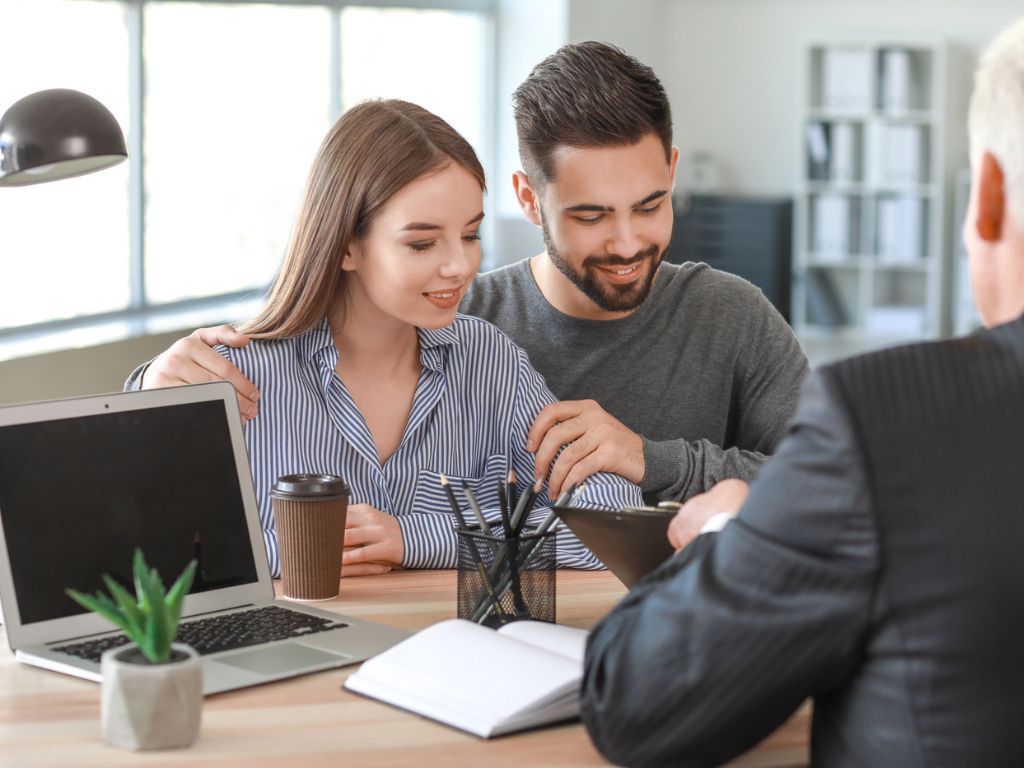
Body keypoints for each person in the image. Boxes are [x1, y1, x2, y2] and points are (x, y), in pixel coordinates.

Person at [580, 18, 1024, 767]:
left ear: (985, 193)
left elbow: (635, 704)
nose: (625, 242)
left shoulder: (889, 420)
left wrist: (728, 536)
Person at [126, 42, 809, 505]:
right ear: (528, 198)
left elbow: (837, 482)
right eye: (593, 215)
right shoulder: (457, 318)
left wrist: (651, 460)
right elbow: (293, 338)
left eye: (651, 205)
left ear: (672, 173)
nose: (628, 241)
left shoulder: (730, 314)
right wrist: (154, 384)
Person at [184, 99, 641, 578]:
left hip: (447, 646)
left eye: (469, 235)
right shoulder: (235, 371)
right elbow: (166, 557)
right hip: (299, 648)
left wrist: (416, 537)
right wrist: (297, 553)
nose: (461, 266)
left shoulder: (487, 359)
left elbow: (609, 523)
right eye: (422, 243)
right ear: (345, 246)